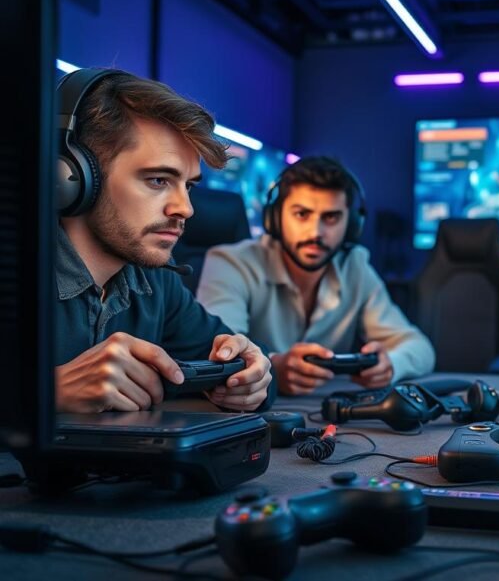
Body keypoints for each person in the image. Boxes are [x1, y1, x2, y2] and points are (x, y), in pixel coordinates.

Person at [54, 68, 273, 413]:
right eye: (158, 180)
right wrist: (47, 393)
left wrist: (253, 378)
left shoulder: (155, 281)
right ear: (73, 176)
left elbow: (245, 367)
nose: (185, 209)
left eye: (188, 186)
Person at [197, 156, 435, 396]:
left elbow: (420, 348)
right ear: (275, 218)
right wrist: (274, 367)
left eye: (331, 217)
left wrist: (390, 365)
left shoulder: (355, 267)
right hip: (248, 417)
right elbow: (218, 351)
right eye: (301, 214)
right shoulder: (230, 263)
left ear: (352, 225)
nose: (315, 232)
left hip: (323, 417)